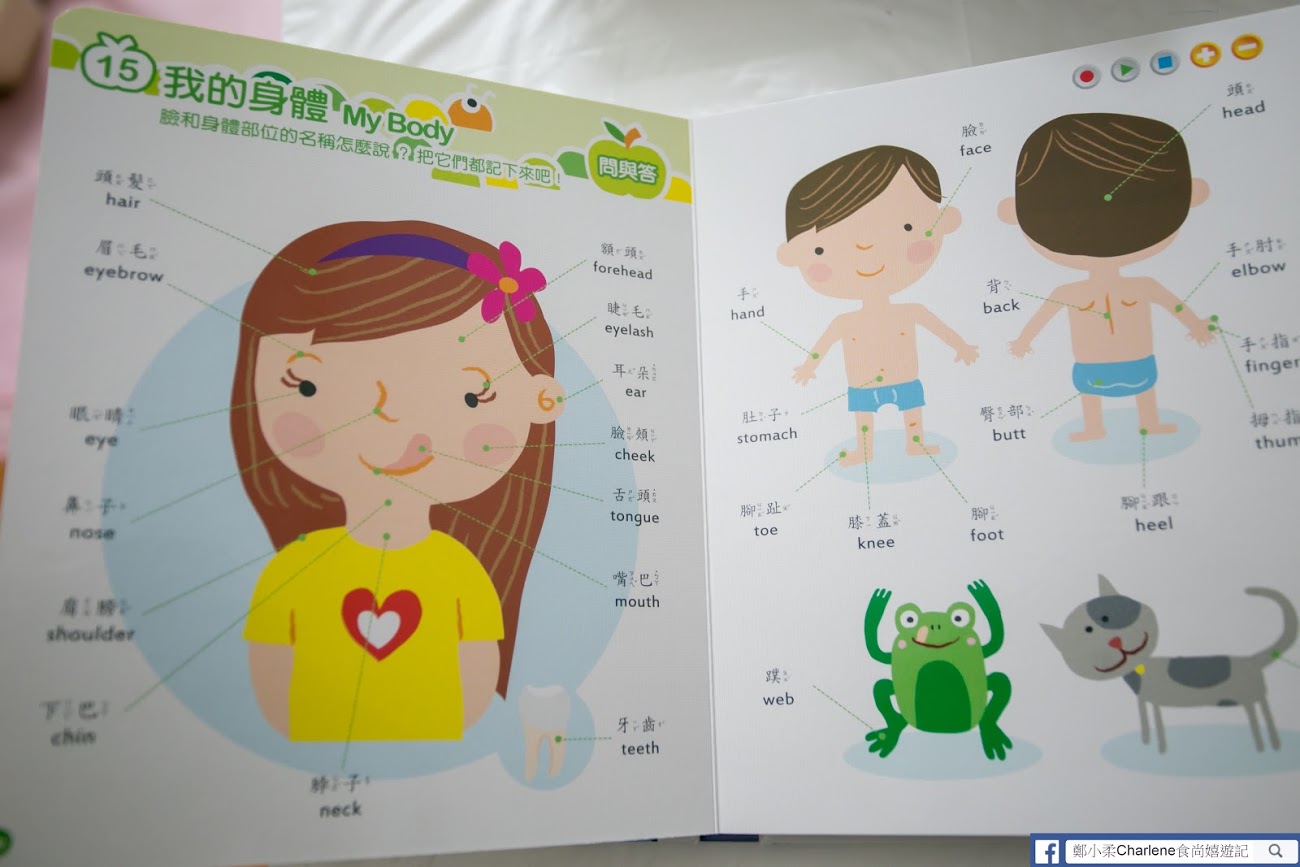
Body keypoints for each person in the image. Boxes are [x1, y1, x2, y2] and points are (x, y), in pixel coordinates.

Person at [234, 220, 565, 741]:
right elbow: (274, 689)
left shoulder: (460, 570)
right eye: (309, 385)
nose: (388, 425)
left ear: (541, 400)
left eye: (471, 396)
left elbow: (474, 687)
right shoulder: (293, 569)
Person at [1002, 113, 1215, 441]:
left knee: (1144, 392)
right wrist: (1023, 341)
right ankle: (1094, 427)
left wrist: (1196, 325)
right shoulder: (1068, 292)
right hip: (1091, 365)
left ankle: (1148, 422)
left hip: (1138, 360)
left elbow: (1174, 305)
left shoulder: (1142, 286)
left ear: (1191, 195)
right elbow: (1041, 317)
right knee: (1091, 397)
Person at [779, 146, 977, 465]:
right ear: (792, 256)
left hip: (905, 378)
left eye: (906, 227)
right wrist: (809, 366)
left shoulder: (911, 311)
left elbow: (940, 329)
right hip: (862, 383)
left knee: (912, 414)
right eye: (820, 249)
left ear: (944, 221)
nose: (865, 246)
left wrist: (961, 346)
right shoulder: (845, 322)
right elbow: (823, 346)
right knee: (864, 420)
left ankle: (915, 444)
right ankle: (865, 450)